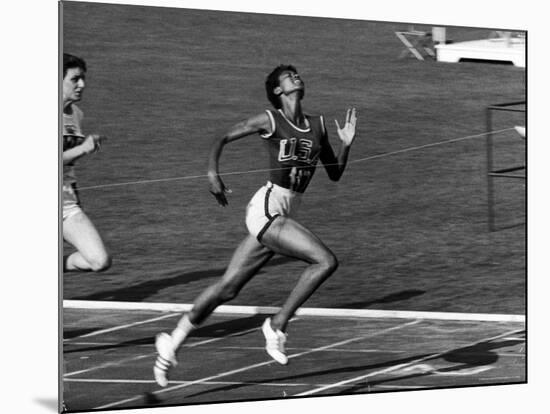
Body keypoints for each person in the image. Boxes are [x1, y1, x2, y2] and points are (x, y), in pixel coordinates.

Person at [154, 64, 357, 387]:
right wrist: (212, 174)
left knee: (228, 288)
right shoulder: (270, 119)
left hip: (285, 213)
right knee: (325, 261)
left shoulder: (318, 125)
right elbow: (221, 137)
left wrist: (346, 143)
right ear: (278, 91)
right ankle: (276, 325)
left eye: (297, 73)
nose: (297, 77)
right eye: (289, 76)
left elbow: (333, 173)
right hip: (267, 209)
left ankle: (171, 342)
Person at [62, 53, 111, 272]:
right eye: (75, 79)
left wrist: (83, 151)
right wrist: (82, 148)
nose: (82, 84)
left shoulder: (76, 115)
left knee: (99, 261)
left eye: (83, 78)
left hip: (65, 202)